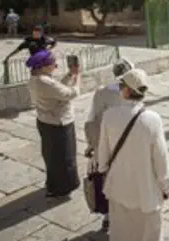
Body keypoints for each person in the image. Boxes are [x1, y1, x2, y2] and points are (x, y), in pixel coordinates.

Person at [98, 68, 169, 241]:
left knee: (122, 240)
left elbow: (102, 159)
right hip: (146, 192)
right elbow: (161, 160)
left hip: (118, 191)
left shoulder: (109, 116)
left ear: (126, 91)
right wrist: (165, 186)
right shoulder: (153, 119)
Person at [84, 57, 134, 230]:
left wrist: (92, 145)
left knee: (106, 180)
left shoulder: (101, 92)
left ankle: (108, 216)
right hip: (126, 145)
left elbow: (91, 121)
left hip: (105, 144)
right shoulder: (132, 91)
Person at [26, 50, 81, 197]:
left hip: (46, 122)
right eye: (52, 63)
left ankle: (53, 184)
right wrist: (77, 78)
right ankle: (62, 188)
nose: (55, 66)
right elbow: (70, 93)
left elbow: (56, 88)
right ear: (43, 66)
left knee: (51, 156)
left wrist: (69, 75)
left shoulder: (37, 79)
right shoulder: (44, 82)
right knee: (64, 157)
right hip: (59, 123)